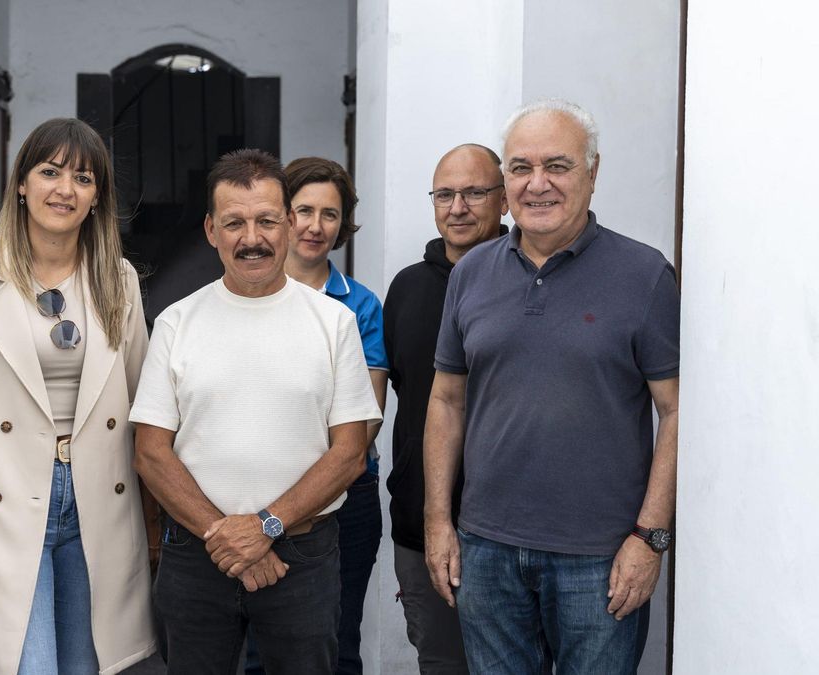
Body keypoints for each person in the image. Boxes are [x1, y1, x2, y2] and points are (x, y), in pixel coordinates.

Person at [424, 99, 680, 674]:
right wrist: (439, 521)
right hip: (485, 551)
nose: (537, 184)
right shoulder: (470, 274)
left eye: (557, 166)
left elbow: (676, 410)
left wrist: (652, 537)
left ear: (592, 172)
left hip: (603, 557)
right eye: (520, 167)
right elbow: (446, 399)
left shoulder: (644, 275)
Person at [0, 118, 157, 674]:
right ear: (21, 184)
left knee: (85, 666)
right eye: (49, 172)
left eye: (83, 178)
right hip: (3, 497)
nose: (64, 190)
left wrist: (149, 525)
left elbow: (143, 405)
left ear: (98, 197)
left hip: (100, 496)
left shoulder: (118, 279)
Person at [132, 148, 382, 675]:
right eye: (235, 223)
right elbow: (151, 453)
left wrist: (267, 526)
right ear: (210, 230)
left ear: (288, 224)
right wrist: (227, 536)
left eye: (267, 220)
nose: (252, 238)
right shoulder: (176, 322)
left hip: (303, 556)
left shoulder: (334, 322)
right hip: (198, 555)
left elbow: (350, 453)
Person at [243, 156, 387, 675]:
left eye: (330, 213)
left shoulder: (361, 305)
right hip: (256, 496)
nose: (315, 226)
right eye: (303, 210)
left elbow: (365, 420)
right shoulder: (246, 291)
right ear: (281, 216)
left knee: (335, 641)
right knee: (257, 647)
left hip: (347, 500)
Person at [383, 143, 508, 674]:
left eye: (475, 192)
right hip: (422, 526)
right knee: (440, 664)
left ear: (503, 200)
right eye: (444, 194)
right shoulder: (408, 288)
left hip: (510, 531)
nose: (458, 207)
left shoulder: (524, 279)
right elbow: (405, 394)